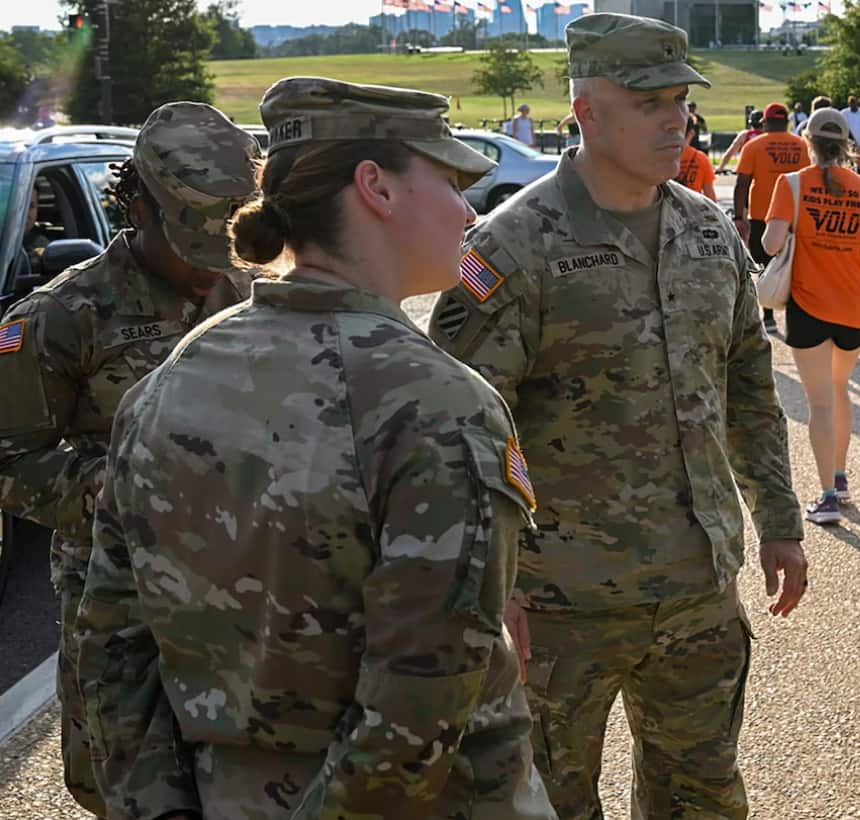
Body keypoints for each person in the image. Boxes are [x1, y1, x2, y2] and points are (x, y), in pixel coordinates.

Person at [75, 78, 555, 819]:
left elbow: (112, 646)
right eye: (450, 179)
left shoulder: (172, 380)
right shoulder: (437, 405)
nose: (467, 209)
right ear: (377, 188)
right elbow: (417, 712)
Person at [427, 13, 807, 819]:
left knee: (703, 797)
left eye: (681, 99)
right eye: (649, 102)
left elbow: (749, 389)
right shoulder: (504, 247)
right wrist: (496, 583)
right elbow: (460, 429)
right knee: (549, 804)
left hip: (698, 591)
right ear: (587, 111)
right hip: (560, 606)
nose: (677, 119)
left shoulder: (708, 232)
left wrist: (779, 521)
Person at [0, 102, 260, 816]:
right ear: (136, 207)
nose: (212, 265)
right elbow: (10, 459)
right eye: (192, 239)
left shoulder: (250, 290)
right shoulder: (61, 317)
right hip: (119, 600)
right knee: (123, 785)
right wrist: (128, 491)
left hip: (249, 590)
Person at [763, 107, 860, 526]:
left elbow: (769, 244)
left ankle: (827, 496)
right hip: (854, 307)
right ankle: (839, 477)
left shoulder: (792, 184)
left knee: (819, 402)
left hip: (808, 307)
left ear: (808, 141)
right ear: (845, 143)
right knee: (840, 390)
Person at [736, 100, 812, 333]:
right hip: (796, 216)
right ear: (787, 122)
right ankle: (795, 314)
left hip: (762, 215)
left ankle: (768, 314)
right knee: (797, 265)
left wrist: (740, 216)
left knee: (764, 265)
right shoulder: (803, 146)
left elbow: (742, 184)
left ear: (766, 122)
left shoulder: (754, 146)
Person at [677, 119, 718, 200]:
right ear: (691, 134)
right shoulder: (701, 158)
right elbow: (709, 194)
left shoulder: (659, 158)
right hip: (692, 208)